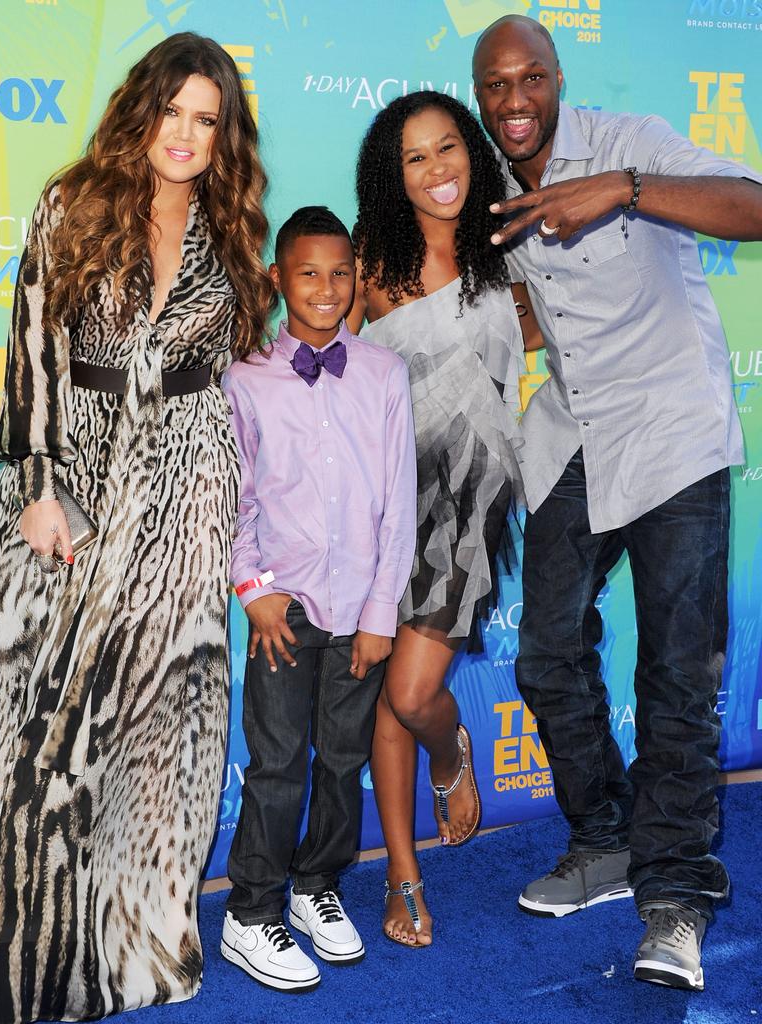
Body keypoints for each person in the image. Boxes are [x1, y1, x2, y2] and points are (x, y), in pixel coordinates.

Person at [473, 14, 762, 991]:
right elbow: (530, 306)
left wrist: (625, 191)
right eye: (495, 84)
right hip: (577, 425)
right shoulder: (484, 182)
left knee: (679, 672)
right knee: (548, 649)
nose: (513, 99)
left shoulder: (627, 141)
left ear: (556, 79)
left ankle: (675, 894)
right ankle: (605, 839)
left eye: (529, 79)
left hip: (673, 418)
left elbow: (753, 205)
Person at [0, 32, 275, 1022]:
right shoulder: (73, 203)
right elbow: (31, 345)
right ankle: (32, 960)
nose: (187, 136)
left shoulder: (228, 224)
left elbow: (250, 360)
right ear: (142, 110)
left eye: (208, 120)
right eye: (175, 113)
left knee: (163, 733)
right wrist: (37, 482)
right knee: (40, 735)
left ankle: (141, 950)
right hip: (71, 485)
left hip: (187, 492)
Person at [349, 91, 540, 947]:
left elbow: (548, 342)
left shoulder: (507, 249)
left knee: (413, 692)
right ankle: (403, 873)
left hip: (472, 506)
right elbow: (318, 370)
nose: (438, 170)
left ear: (473, 152)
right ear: (394, 176)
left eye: (449, 148)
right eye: (416, 158)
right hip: (389, 503)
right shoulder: (367, 264)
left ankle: (451, 749)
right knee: (395, 697)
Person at [220, 206, 416, 992]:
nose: (326, 289)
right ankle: (251, 909)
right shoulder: (245, 376)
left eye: (341, 274)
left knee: (342, 759)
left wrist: (380, 616)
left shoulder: (384, 374)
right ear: (278, 278)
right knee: (278, 764)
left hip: (359, 602)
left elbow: (398, 504)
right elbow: (230, 499)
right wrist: (253, 591)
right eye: (308, 273)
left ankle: (316, 888)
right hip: (285, 603)